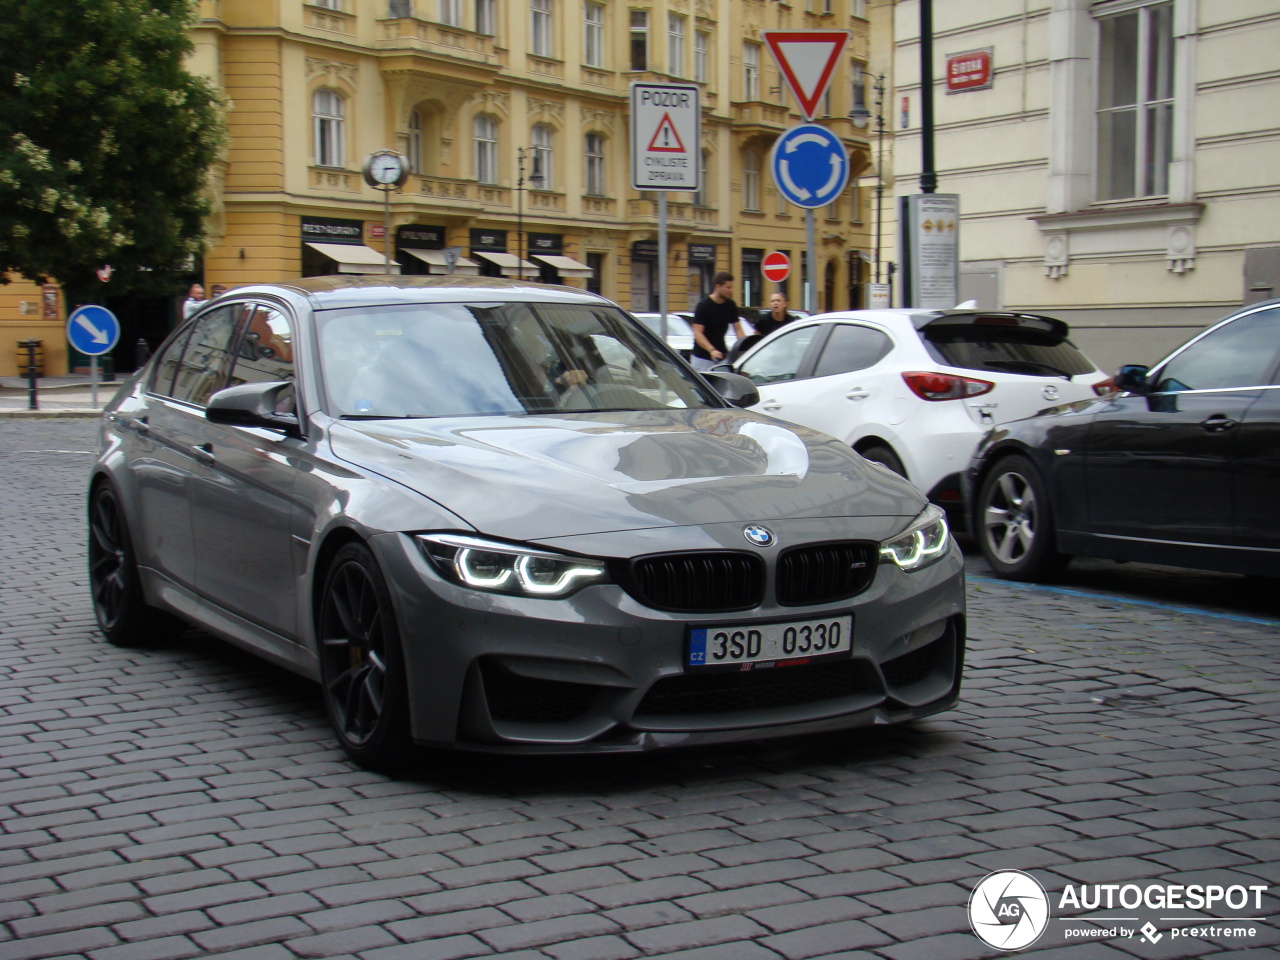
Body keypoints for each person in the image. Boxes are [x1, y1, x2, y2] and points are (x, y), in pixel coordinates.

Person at [690, 271, 746, 371]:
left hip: (721, 356)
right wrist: (711, 350)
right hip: (702, 358)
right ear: (718, 286)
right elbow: (698, 333)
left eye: (731, 287)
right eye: (728, 287)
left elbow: (738, 329)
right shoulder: (703, 305)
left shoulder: (730, 305)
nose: (731, 290)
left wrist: (744, 346)